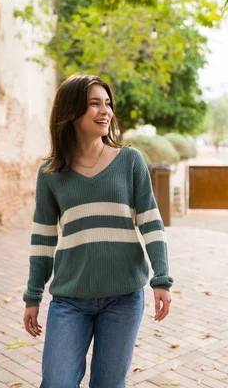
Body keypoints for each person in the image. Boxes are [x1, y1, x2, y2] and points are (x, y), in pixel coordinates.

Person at [22, 74, 173, 388]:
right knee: (56, 382)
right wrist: (33, 295)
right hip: (70, 299)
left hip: (123, 297)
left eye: (108, 104)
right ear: (72, 111)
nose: (105, 111)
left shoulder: (130, 161)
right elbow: (43, 239)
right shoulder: (50, 173)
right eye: (94, 104)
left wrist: (162, 278)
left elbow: (151, 222)